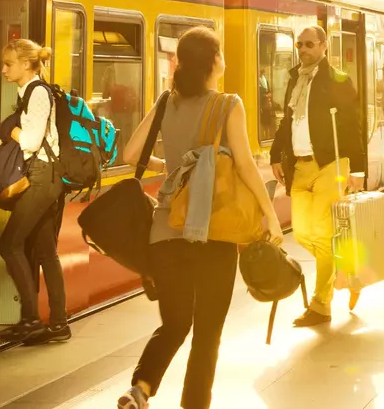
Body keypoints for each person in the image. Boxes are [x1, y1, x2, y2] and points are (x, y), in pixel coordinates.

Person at [116, 27, 283, 409]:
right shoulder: (228, 105)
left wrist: (172, 166)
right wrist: (270, 216)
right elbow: (244, 166)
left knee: (174, 323)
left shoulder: (164, 102)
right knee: (207, 334)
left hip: (164, 232)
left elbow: (130, 154)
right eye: (220, 52)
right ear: (213, 62)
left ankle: (140, 388)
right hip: (213, 231)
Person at [268, 25, 364, 328]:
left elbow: (352, 126)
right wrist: (275, 155)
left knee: (322, 235)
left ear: (324, 46)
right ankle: (346, 267)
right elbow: (286, 121)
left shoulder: (338, 80)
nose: (303, 49)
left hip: (330, 164)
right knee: (303, 233)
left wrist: (358, 171)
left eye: (309, 44)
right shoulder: (295, 79)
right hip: (301, 165)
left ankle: (321, 305)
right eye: (299, 44)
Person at [0, 39, 69, 346]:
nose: (3, 69)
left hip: (41, 178)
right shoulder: (28, 92)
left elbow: (30, 141)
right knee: (45, 252)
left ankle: (30, 320)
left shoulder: (37, 94)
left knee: (9, 244)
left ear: (27, 64)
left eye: (9, 64)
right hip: (45, 177)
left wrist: (9, 132)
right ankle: (58, 324)